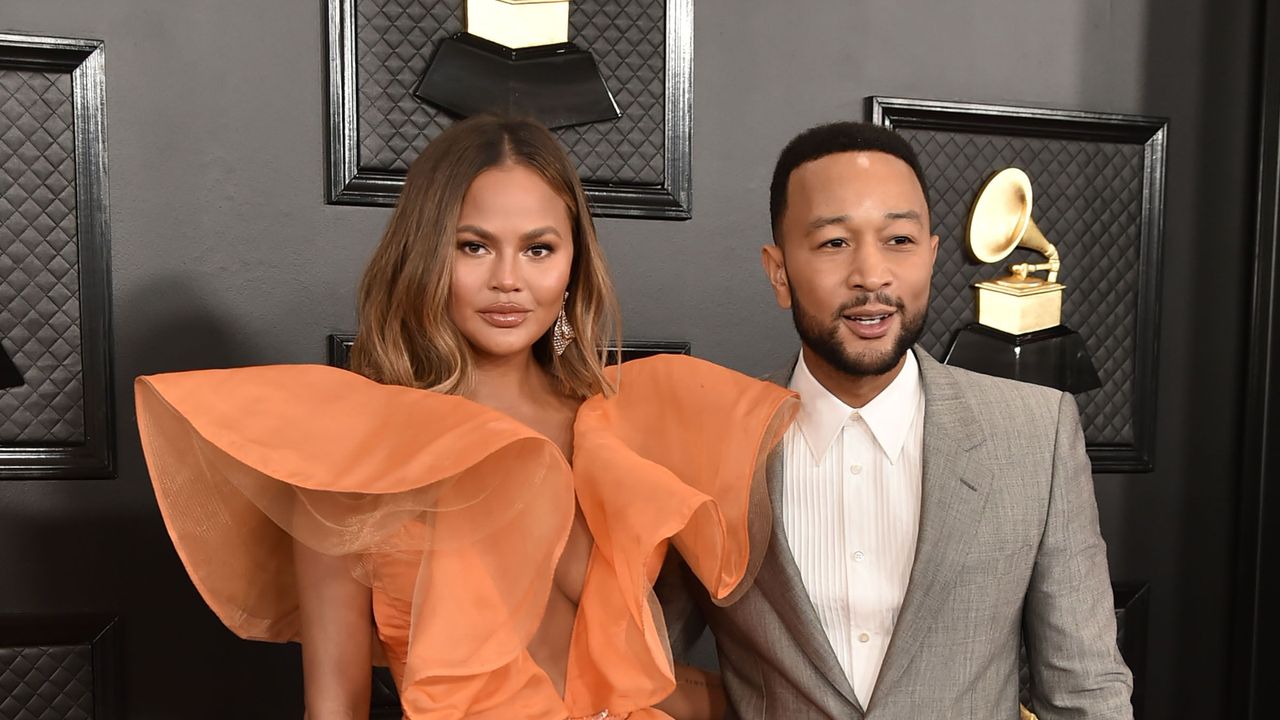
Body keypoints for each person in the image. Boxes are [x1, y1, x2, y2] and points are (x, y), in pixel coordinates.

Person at [134, 116, 795, 720]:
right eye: (474, 247)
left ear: (573, 268)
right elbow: (334, 705)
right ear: (427, 256)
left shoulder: (629, 421)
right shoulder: (352, 455)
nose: (509, 279)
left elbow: (680, 669)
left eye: (538, 249)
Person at [658, 121, 1134, 719]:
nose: (872, 275)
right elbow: (635, 661)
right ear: (778, 271)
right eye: (834, 242)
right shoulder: (705, 446)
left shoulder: (1036, 433)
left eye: (899, 240)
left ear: (932, 257)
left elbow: (1085, 690)